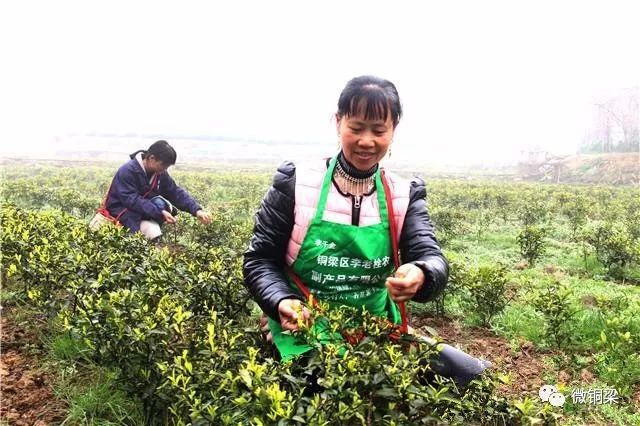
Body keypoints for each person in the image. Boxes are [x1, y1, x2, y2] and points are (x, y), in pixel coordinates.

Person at [243, 76, 490, 385]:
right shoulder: (297, 182)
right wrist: (280, 301)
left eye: (378, 130)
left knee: (468, 374)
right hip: (306, 324)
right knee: (327, 392)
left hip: (375, 325)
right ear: (338, 123)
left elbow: (429, 254)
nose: (366, 141)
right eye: (356, 128)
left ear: (394, 130)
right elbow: (259, 259)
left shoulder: (404, 193)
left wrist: (422, 273)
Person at [104, 140, 211, 240]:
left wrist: (196, 210)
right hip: (121, 210)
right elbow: (131, 199)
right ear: (151, 158)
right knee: (141, 238)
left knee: (154, 233)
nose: (164, 169)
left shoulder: (160, 174)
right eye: (163, 165)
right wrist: (159, 212)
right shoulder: (128, 171)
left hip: (142, 211)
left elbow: (174, 192)